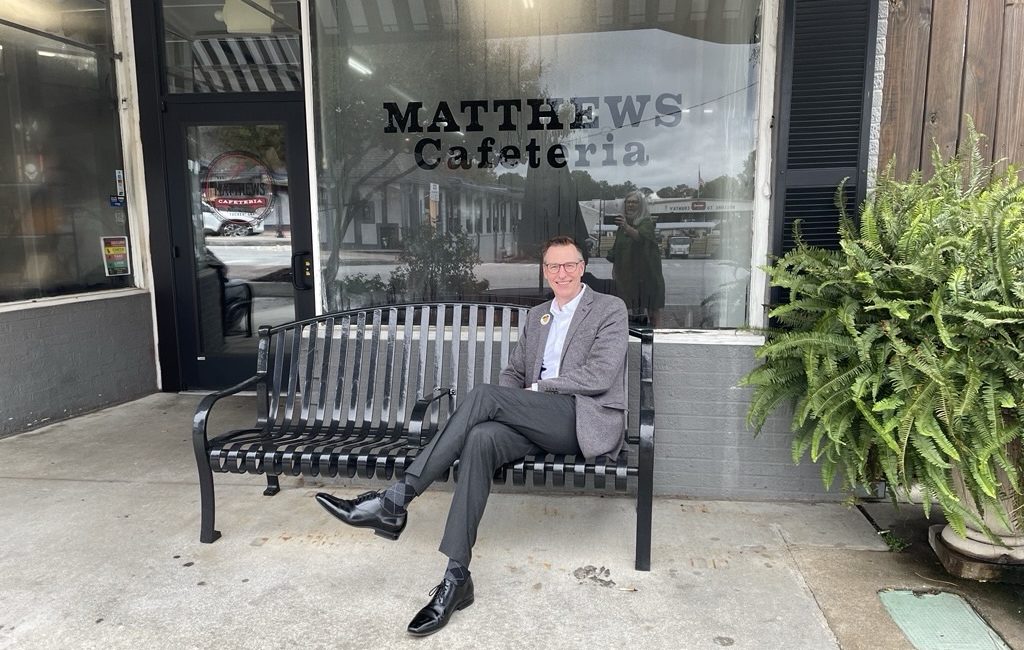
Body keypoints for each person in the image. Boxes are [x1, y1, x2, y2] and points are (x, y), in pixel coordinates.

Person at [315, 235, 629, 636]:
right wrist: (517, 397)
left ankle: (397, 498)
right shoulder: (538, 317)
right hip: (534, 418)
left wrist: (533, 393)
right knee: (480, 438)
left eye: (569, 265)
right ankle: (456, 578)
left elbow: (599, 375)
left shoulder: (608, 308)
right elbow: (514, 373)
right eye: (553, 266)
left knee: (483, 396)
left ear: (583, 267)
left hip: (578, 420)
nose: (561, 273)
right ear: (545, 271)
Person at [608, 190, 665, 327]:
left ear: (641, 205)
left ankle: (656, 336)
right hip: (627, 275)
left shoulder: (646, 223)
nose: (630, 205)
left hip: (647, 274)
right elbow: (617, 249)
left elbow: (640, 238)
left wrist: (626, 226)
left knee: (652, 308)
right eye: (628, 202)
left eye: (634, 202)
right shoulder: (622, 226)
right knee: (628, 307)